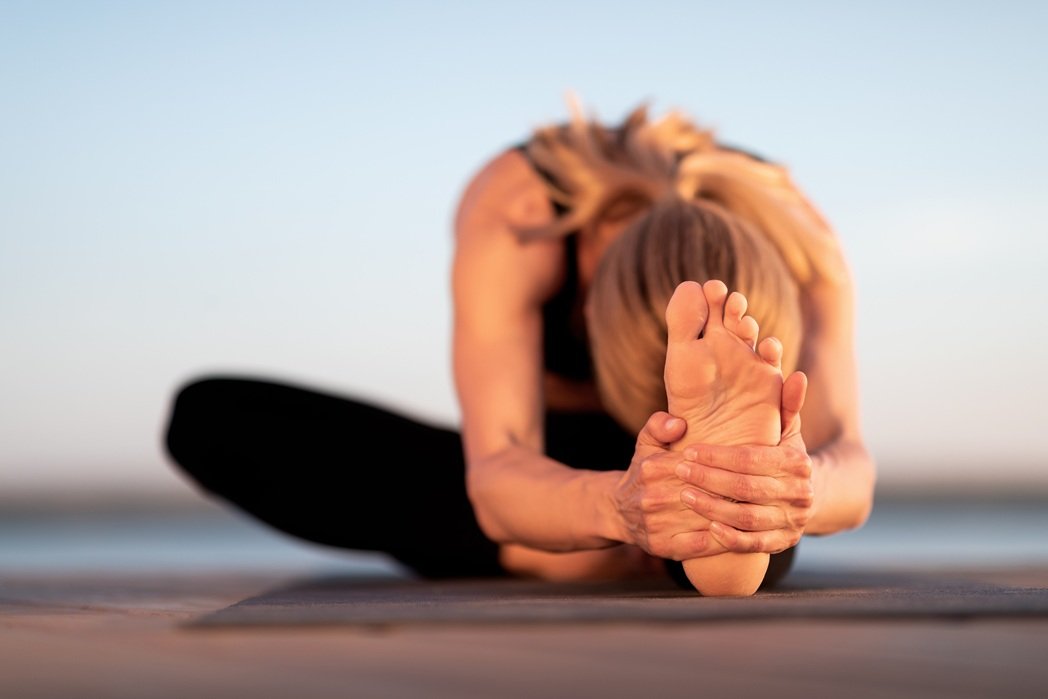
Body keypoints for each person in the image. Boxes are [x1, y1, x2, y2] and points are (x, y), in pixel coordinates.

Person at [163, 100, 875, 596]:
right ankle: (671, 537)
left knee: (745, 501)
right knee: (212, 419)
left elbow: (848, 463)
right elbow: (500, 467)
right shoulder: (521, 211)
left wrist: (789, 490)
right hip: (561, 460)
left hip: (677, 474)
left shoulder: (798, 239)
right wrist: (620, 504)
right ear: (589, 304)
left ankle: (701, 522)